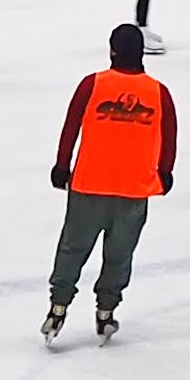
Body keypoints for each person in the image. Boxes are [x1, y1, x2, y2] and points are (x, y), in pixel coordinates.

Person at [45, 24, 175, 343]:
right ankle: (106, 310)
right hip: (133, 191)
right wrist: (164, 172)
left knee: (73, 248)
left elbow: (71, 126)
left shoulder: (93, 85)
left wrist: (62, 166)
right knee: (119, 254)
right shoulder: (158, 93)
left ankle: (58, 307)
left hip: (89, 185)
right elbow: (169, 137)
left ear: (112, 50)